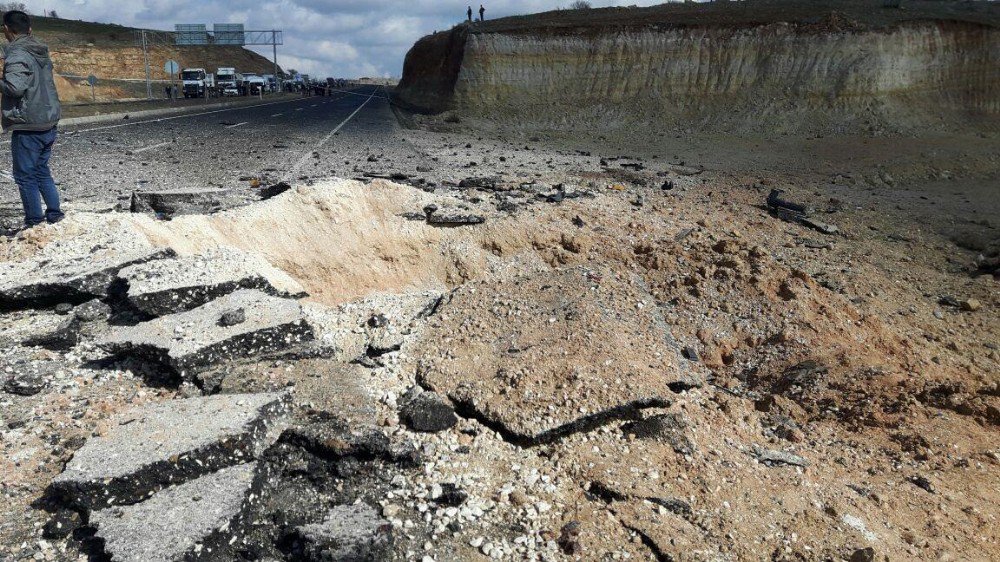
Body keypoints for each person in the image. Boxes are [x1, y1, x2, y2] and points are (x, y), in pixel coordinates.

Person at [0, 10, 63, 229]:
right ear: (30, 29)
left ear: (7, 29)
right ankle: (55, 215)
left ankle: (35, 222)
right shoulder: (40, 51)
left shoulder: (17, 54)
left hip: (28, 122)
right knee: (41, 170)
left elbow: (14, 88)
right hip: (48, 119)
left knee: (25, 176)